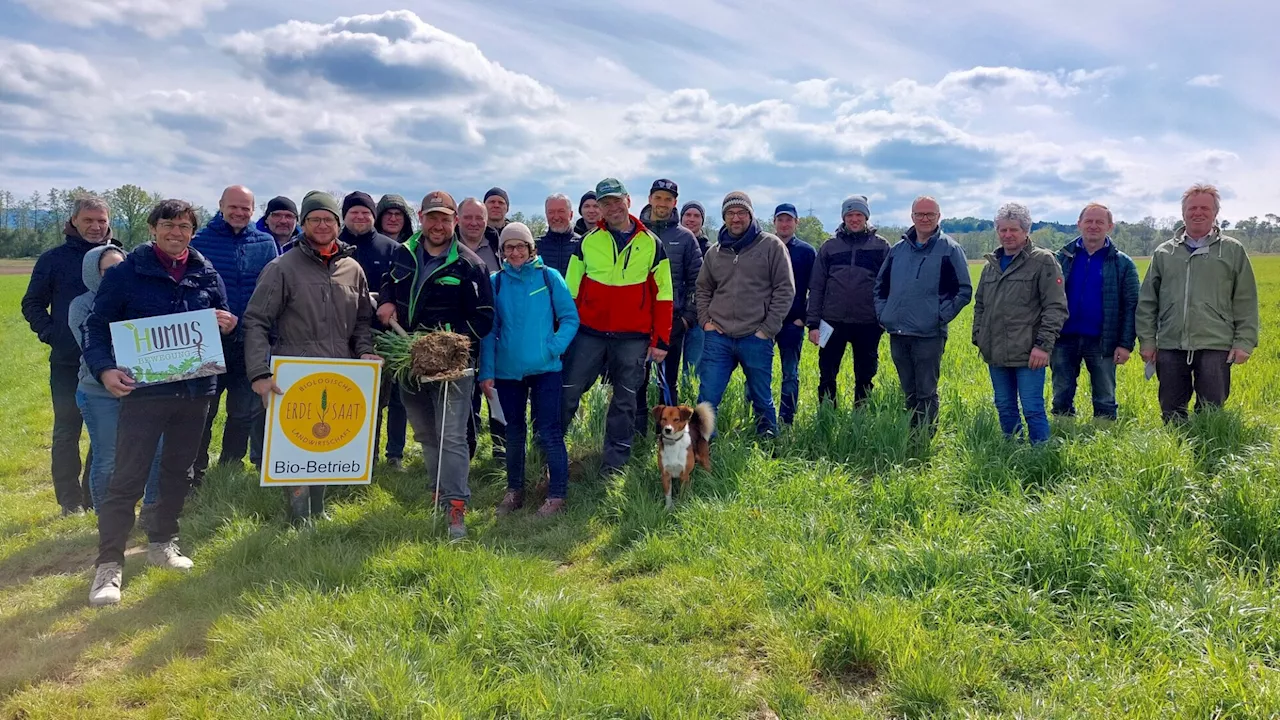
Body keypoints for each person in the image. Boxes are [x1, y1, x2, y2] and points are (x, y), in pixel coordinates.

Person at [86, 199, 238, 607]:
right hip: (144, 394)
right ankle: (109, 565)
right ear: (153, 229)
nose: (176, 232)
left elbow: (223, 322)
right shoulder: (125, 274)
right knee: (127, 478)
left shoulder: (206, 272)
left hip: (195, 393)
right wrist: (104, 370)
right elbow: (96, 328)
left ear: (193, 230)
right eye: (168, 225)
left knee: (178, 473)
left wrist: (229, 324)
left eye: (184, 226)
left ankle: (162, 542)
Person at [243, 190, 379, 523]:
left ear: (337, 224)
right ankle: (298, 514)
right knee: (298, 445)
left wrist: (364, 352)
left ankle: (319, 508)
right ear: (303, 224)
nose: (322, 225)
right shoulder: (282, 268)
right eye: (314, 219)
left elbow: (363, 321)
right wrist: (260, 373)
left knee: (328, 441)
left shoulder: (352, 269)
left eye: (328, 219)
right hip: (295, 370)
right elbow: (257, 320)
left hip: (340, 370)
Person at [377, 191, 495, 540]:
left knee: (452, 436)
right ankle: (437, 492)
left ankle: (457, 506)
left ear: (454, 220)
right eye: (432, 217)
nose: (439, 225)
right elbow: (389, 283)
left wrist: (448, 347)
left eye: (445, 218)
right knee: (427, 435)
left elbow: (484, 318)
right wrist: (385, 301)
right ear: (422, 217)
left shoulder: (470, 265)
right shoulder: (404, 254)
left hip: (451, 369)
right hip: (408, 362)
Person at [561, 178, 673, 474]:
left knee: (625, 400)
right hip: (589, 333)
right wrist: (565, 333)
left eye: (616, 201)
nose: (612, 208)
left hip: (632, 336)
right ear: (597, 208)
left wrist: (660, 340)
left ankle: (614, 466)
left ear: (628, 200)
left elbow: (664, 294)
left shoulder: (650, 242)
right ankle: (550, 448)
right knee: (569, 390)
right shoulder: (587, 242)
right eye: (604, 203)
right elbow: (570, 292)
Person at [22, 195, 117, 514]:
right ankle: (69, 500)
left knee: (104, 431)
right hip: (67, 361)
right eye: (88, 220)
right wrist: (54, 335)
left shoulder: (119, 258)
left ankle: (93, 494)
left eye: (101, 220)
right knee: (67, 428)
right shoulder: (53, 259)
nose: (95, 226)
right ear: (74, 221)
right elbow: (32, 303)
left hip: (109, 363)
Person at [480, 223, 580, 517]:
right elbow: (489, 331)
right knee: (514, 432)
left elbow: (570, 319)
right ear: (502, 252)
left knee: (549, 431)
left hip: (547, 368)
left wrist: (552, 347)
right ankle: (514, 491)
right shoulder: (496, 282)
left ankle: (557, 495)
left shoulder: (549, 278)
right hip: (508, 371)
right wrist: (487, 372)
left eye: (520, 246)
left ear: (530, 248)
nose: (515, 252)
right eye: (509, 247)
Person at [1136, 184, 1259, 423]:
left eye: (1205, 207)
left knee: (1211, 410)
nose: (1198, 213)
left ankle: (1210, 448)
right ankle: (1174, 452)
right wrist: (1148, 341)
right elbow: (1148, 301)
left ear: (1215, 213)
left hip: (1215, 342)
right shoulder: (1164, 253)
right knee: (1171, 410)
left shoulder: (1232, 251)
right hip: (1171, 343)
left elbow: (1245, 299)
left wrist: (1244, 341)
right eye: (1192, 208)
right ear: (1183, 213)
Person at [70, 245, 163, 531]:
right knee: (108, 456)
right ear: (93, 273)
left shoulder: (138, 298)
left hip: (143, 388)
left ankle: (151, 509)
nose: (116, 274)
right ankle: (108, 518)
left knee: (156, 450)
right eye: (108, 269)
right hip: (99, 391)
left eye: (121, 267)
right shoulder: (81, 306)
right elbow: (93, 348)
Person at [190, 185, 278, 484]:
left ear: (253, 211)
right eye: (234, 207)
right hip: (209, 342)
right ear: (221, 206)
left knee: (244, 411)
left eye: (246, 208)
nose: (239, 213)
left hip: (250, 342)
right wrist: (206, 316)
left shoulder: (265, 243)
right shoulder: (200, 240)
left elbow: (274, 289)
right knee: (204, 410)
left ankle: (230, 464)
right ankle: (196, 470)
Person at [696, 191, 794, 438]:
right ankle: (703, 449)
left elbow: (785, 289)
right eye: (730, 213)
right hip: (718, 336)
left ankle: (769, 446)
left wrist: (766, 329)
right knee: (707, 398)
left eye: (741, 212)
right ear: (724, 218)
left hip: (756, 337)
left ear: (751, 215)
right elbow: (703, 288)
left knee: (761, 398)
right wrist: (705, 322)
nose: (736, 218)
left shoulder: (771, 246)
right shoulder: (715, 252)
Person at [972, 203, 1067, 445]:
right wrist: (979, 337)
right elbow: (980, 305)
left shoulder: (1043, 261)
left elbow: (1055, 307)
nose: (1007, 235)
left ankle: (1040, 458)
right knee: (1004, 406)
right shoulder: (990, 266)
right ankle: (1012, 453)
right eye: (1002, 230)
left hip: (1029, 353)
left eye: (1013, 229)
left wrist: (1043, 346)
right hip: (996, 352)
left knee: (1033, 408)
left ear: (1026, 231)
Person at [874, 196, 972, 430]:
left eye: (930, 214)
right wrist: (884, 315)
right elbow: (880, 286)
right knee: (909, 390)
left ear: (939, 217)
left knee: (926, 391)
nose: (925, 218)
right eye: (920, 214)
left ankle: (926, 438)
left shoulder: (950, 249)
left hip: (929, 334)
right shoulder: (898, 249)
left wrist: (937, 316)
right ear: (912, 217)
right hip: (898, 331)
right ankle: (911, 434)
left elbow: (964, 290)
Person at [1051, 203, 1140, 420]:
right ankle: (1062, 434)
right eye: (1089, 221)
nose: (1093, 226)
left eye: (1100, 222)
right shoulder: (1059, 258)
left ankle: (1104, 440)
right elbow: (1044, 301)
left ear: (1110, 226)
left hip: (1103, 341)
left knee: (1105, 397)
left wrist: (1126, 344)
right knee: (1061, 395)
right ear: (1079, 224)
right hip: (1063, 339)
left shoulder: (1123, 263)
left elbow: (1132, 307)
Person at [807, 195, 890, 409]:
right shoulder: (829, 247)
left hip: (869, 323)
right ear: (843, 217)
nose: (854, 219)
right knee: (827, 374)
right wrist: (813, 324)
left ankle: (860, 418)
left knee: (865, 376)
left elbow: (889, 285)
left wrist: (884, 318)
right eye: (850, 215)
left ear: (866, 217)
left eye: (859, 215)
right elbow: (816, 287)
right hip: (832, 322)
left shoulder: (881, 247)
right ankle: (827, 415)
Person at [339, 191, 403, 467]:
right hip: (338, 334)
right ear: (344, 216)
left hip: (379, 336)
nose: (360, 216)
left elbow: (398, 287)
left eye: (365, 212)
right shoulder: (333, 244)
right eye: (354, 212)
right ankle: (341, 453)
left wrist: (385, 300)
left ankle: (376, 457)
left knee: (378, 400)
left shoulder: (390, 248)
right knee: (343, 397)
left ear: (373, 216)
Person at [636, 178, 702, 428]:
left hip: (672, 322)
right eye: (658, 197)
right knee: (637, 381)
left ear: (675, 202)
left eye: (668, 199)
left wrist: (686, 319)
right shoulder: (636, 231)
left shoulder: (685, 238)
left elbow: (698, 281)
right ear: (650, 198)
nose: (662, 203)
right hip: (638, 321)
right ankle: (638, 433)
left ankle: (670, 434)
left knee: (668, 382)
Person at [456, 197, 505, 459]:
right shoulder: (448, 247)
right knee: (466, 394)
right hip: (459, 333)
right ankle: (467, 449)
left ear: (487, 221)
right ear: (458, 219)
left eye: (479, 218)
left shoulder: (497, 246)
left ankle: (500, 448)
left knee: (495, 390)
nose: (474, 223)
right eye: (468, 217)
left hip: (494, 332)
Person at [772, 203, 815, 425]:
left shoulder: (807, 252)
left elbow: (815, 288)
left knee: (790, 374)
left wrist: (804, 318)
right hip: (764, 322)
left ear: (796, 223)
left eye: (789, 219)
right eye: (780, 219)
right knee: (758, 373)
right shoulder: (764, 247)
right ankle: (762, 417)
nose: (785, 224)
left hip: (792, 322)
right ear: (774, 223)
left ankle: (786, 420)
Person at [679, 200, 712, 374]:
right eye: (688, 215)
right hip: (674, 313)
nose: (691, 219)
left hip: (699, 316)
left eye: (696, 216)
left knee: (693, 368)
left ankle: (688, 398)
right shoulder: (672, 242)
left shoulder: (710, 250)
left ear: (702, 220)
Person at [537, 193, 581, 279]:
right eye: (551, 212)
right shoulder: (535, 246)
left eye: (561, 211)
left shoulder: (582, 244)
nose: (556, 217)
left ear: (571, 215)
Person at [483, 187, 509, 254]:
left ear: (507, 208)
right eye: (492, 202)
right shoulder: (474, 232)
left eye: (501, 203)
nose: (496, 205)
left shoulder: (515, 233)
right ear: (483, 207)